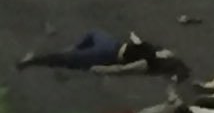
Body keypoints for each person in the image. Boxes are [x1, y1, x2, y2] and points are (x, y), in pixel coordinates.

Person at [17, 30, 186, 78]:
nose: (167, 52)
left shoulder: (148, 61)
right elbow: (138, 44)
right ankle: (75, 51)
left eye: (169, 55)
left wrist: (103, 69)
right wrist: (133, 36)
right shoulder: (153, 49)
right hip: (112, 44)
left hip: (108, 54)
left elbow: (124, 69)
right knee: (93, 33)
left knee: (68, 58)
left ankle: (32, 61)